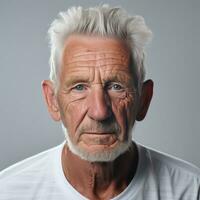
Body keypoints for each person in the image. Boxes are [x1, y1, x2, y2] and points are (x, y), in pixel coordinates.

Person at [0, 4, 199, 200]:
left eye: (116, 87)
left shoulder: (189, 190)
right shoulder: (8, 192)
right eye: (79, 87)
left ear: (143, 100)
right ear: (52, 100)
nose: (99, 112)